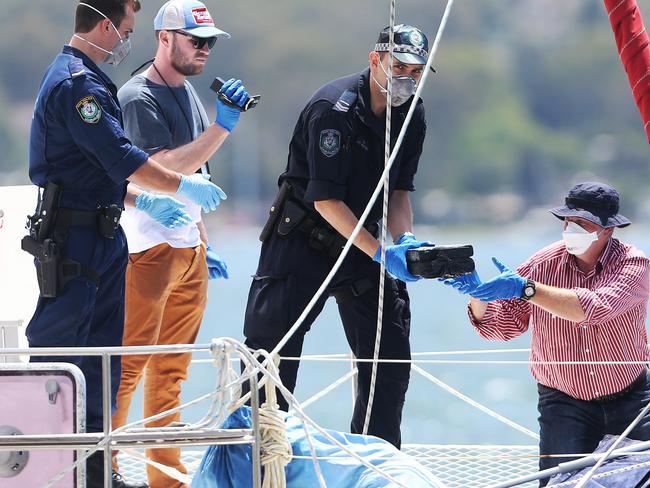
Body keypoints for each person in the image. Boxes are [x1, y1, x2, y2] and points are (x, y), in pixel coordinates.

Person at [25, 1, 228, 486]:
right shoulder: (79, 84)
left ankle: (97, 472)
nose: (125, 42)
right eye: (126, 31)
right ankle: (42, 472)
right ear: (104, 26)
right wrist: (180, 187)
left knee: (103, 367)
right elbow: (118, 156)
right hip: (74, 240)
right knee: (62, 359)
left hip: (101, 230)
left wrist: (142, 199)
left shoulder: (90, 78)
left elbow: (99, 172)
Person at [243, 24, 431, 448]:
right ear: (374, 59)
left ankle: (375, 461)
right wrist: (383, 253)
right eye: (398, 66)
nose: (407, 77)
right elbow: (326, 201)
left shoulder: (412, 114)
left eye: (416, 71)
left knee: (389, 355)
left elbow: (399, 193)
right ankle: (260, 461)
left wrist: (405, 247)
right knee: (271, 356)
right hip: (302, 240)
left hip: (363, 242)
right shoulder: (334, 109)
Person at [110, 1, 249, 486]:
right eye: (197, 40)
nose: (205, 50)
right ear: (164, 37)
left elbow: (197, 180)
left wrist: (202, 243)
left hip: (186, 248)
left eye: (210, 42)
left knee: (171, 372)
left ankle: (163, 476)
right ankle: (99, 467)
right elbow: (165, 170)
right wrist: (221, 127)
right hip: (146, 250)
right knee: (128, 367)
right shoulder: (136, 95)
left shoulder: (187, 90)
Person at [444, 182, 650, 486]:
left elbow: (595, 308)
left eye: (582, 223)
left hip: (631, 397)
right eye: (568, 222)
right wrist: (478, 296)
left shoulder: (633, 264)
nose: (571, 229)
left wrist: (526, 289)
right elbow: (503, 326)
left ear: (607, 230)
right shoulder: (541, 264)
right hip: (564, 404)